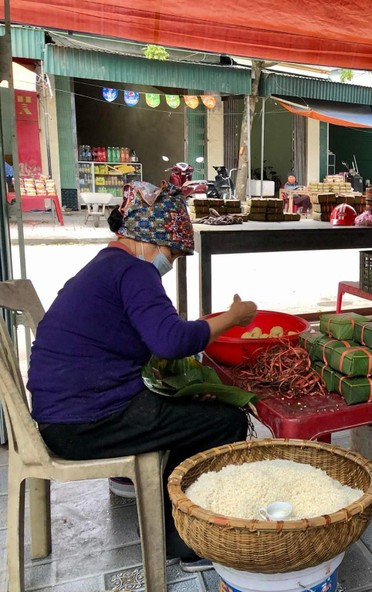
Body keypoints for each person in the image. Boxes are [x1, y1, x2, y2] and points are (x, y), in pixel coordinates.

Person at [27, 181, 258, 572]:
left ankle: (159, 516)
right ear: (149, 240)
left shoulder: (107, 264)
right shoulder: (135, 271)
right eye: (172, 254)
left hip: (64, 414)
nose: (171, 264)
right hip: (88, 422)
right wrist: (232, 318)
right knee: (225, 422)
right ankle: (185, 541)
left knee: (190, 412)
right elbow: (170, 340)